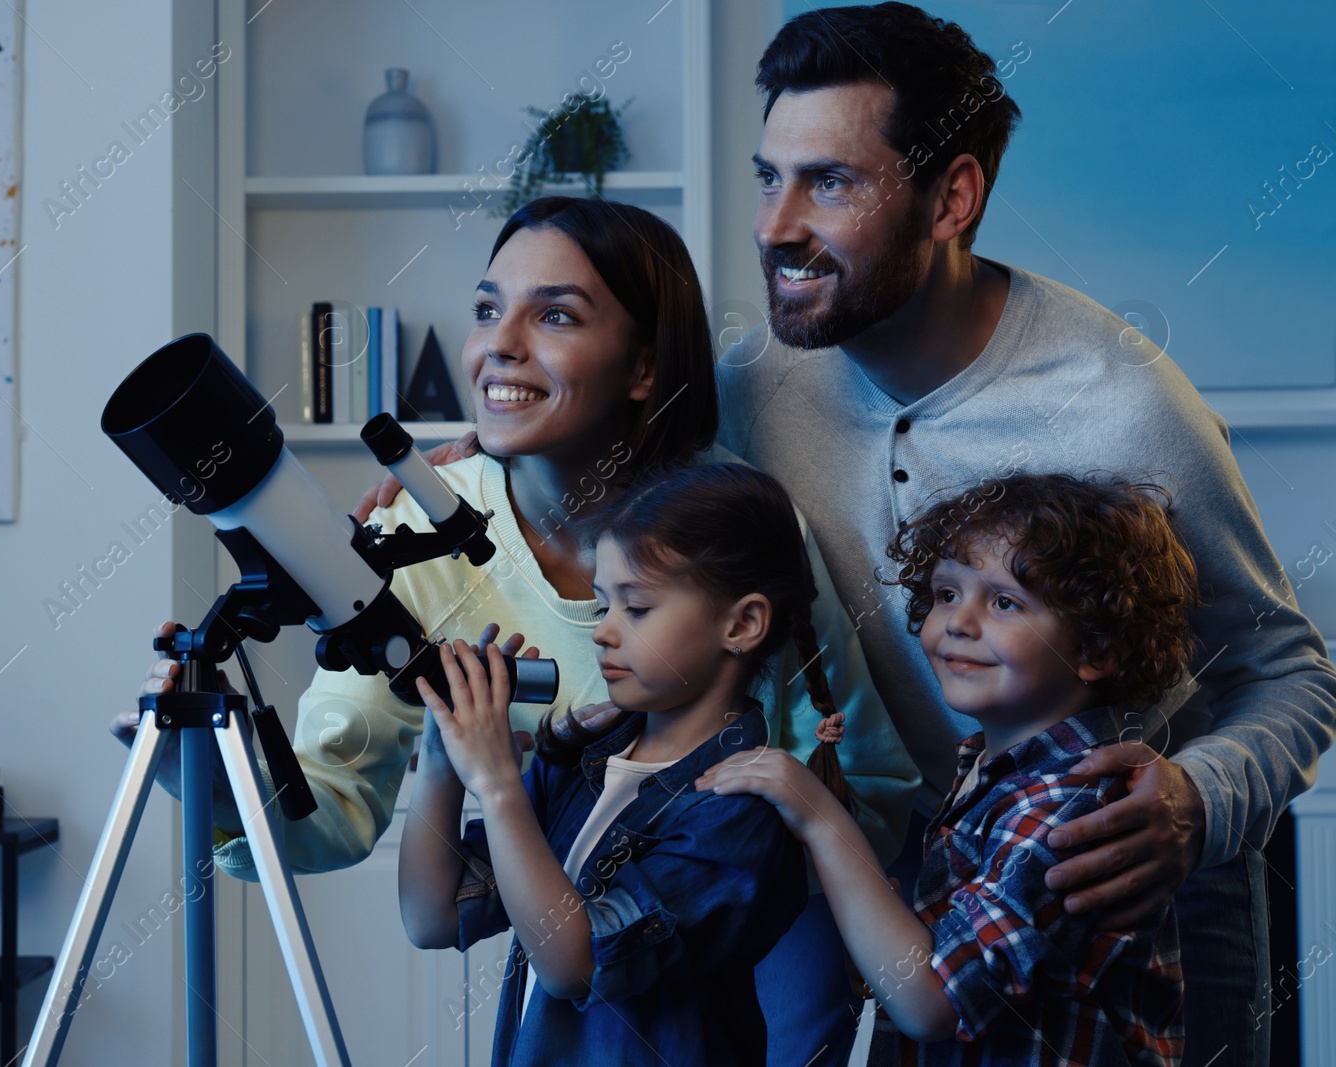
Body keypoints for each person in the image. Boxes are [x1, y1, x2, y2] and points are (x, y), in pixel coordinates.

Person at [362, 7, 1336, 1063]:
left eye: (829, 182)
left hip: (1140, 887)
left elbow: (1286, 668)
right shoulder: (754, 383)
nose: (776, 224)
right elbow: (628, 447)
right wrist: (482, 447)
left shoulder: (1123, 406)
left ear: (950, 198)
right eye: (767, 177)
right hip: (924, 884)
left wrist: (1199, 797)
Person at [114, 196, 921, 1063]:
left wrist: (687, 904)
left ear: (644, 365)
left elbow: (864, 777)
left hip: (753, 948)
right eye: (489, 309)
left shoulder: (738, 530)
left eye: (557, 315)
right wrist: (212, 781)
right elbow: (340, 807)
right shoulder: (414, 538)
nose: (499, 341)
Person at [701, 473, 1195, 1065]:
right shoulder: (993, 770)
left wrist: (818, 816)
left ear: (1096, 651)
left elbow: (932, 1003)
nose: (958, 622)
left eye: (1005, 602)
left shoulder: (1070, 807)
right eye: (946, 594)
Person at [400, 462, 849, 1065]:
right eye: (600, 602)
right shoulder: (585, 763)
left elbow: (576, 966)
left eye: (635, 608)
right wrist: (443, 758)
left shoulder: (741, 811)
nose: (602, 633)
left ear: (742, 624)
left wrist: (498, 784)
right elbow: (433, 916)